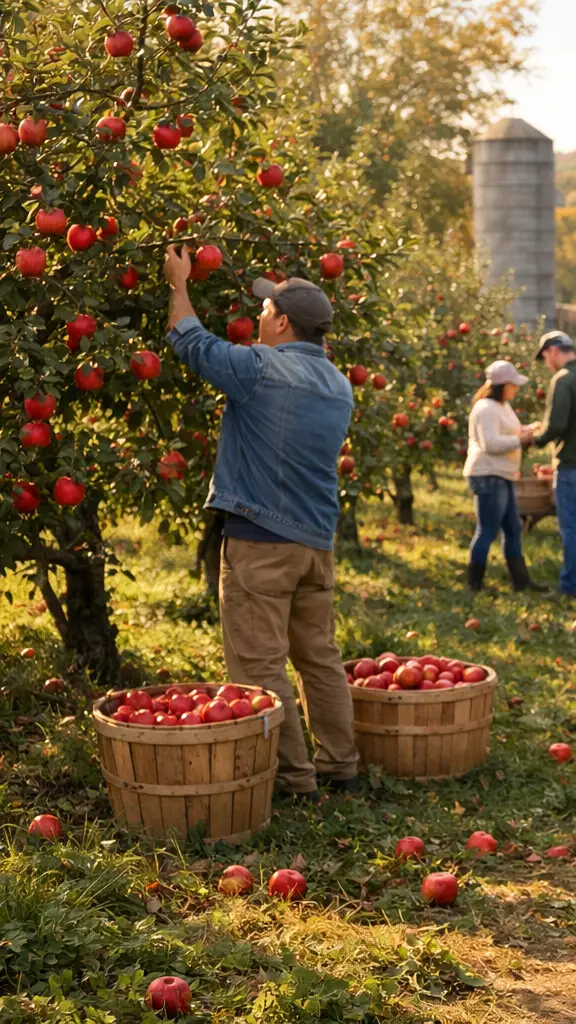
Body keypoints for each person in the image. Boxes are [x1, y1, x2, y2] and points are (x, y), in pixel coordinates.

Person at [162, 245, 360, 801]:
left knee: (259, 666)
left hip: (262, 543)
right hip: (315, 544)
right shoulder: (338, 385)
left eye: (267, 309)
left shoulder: (260, 369)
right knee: (319, 658)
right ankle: (341, 766)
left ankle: (294, 780)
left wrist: (179, 282)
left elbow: (190, 340)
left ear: (284, 322)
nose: (260, 315)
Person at [520, 330, 576, 598]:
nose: (547, 364)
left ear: (553, 351)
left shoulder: (564, 379)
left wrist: (535, 439)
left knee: (571, 526)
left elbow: (556, 424)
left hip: (572, 463)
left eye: (545, 358)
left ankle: (569, 587)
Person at [464, 359, 546, 593]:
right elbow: (490, 443)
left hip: (504, 474)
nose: (516, 389)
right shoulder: (486, 408)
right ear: (502, 385)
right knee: (487, 530)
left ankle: (521, 581)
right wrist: (521, 439)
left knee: (513, 528)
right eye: (513, 384)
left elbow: (508, 432)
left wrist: (528, 429)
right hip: (488, 475)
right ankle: (474, 584)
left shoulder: (502, 406)